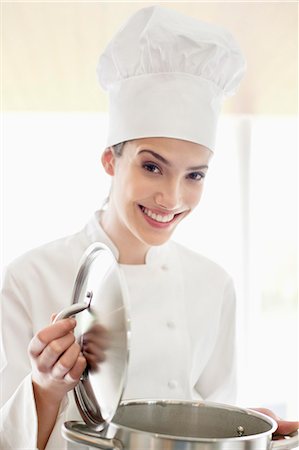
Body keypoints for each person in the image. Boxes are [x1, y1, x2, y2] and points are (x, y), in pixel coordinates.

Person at [0, 5, 298, 450]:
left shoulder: (213, 286)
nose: (173, 198)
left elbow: (213, 418)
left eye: (194, 175)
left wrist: (255, 430)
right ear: (109, 160)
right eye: (152, 167)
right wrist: (45, 388)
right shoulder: (30, 276)